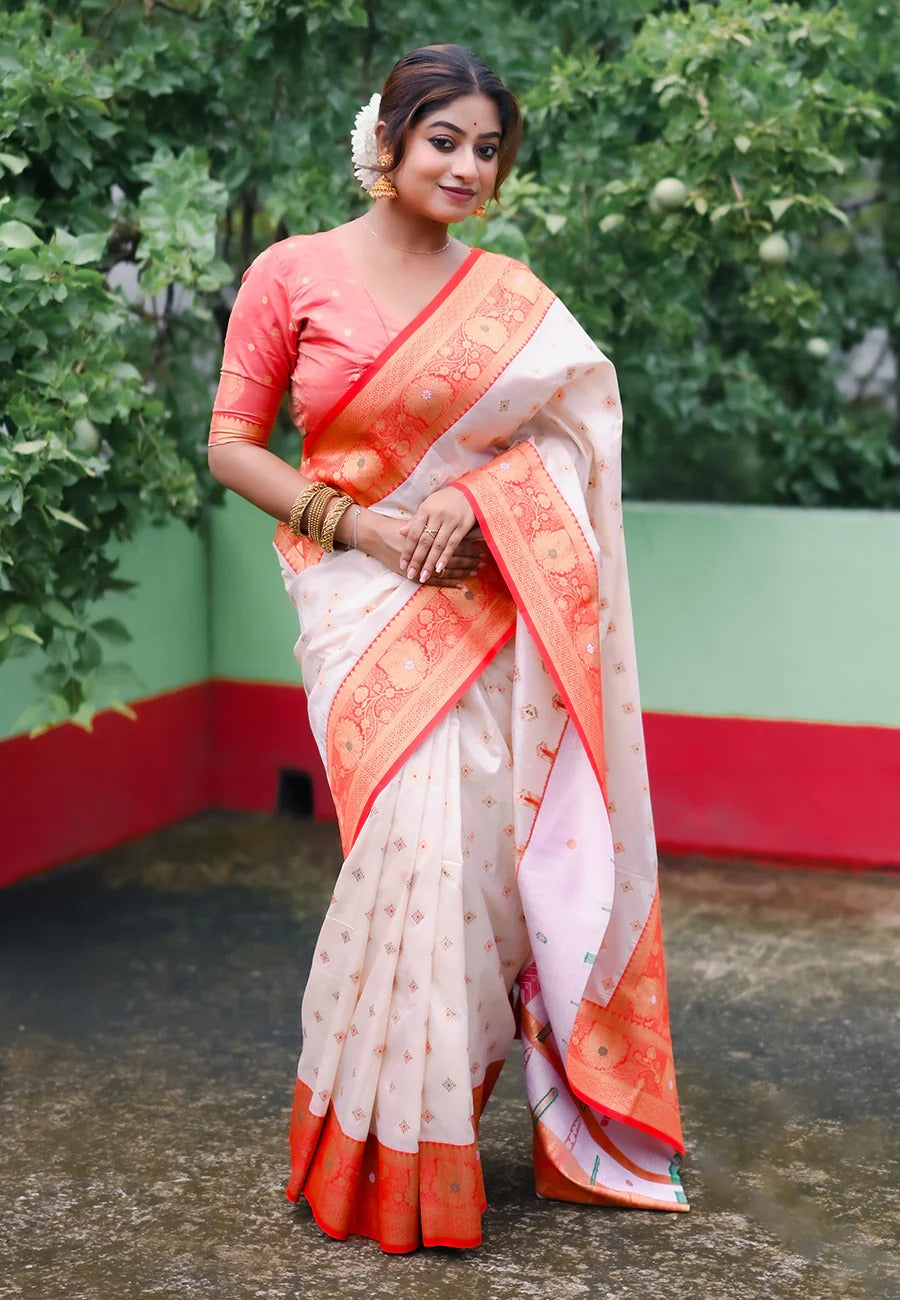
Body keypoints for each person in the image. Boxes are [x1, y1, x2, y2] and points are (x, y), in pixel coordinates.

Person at [207, 43, 688, 1254]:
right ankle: (362, 1151)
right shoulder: (292, 272)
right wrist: (357, 520)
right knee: (399, 871)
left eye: (487, 148)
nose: (469, 166)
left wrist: (476, 505)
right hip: (356, 601)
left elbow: (576, 442)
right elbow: (232, 445)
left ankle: (435, 1141)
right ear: (386, 141)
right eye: (445, 140)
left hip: (481, 610)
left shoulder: (513, 300)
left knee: (470, 878)